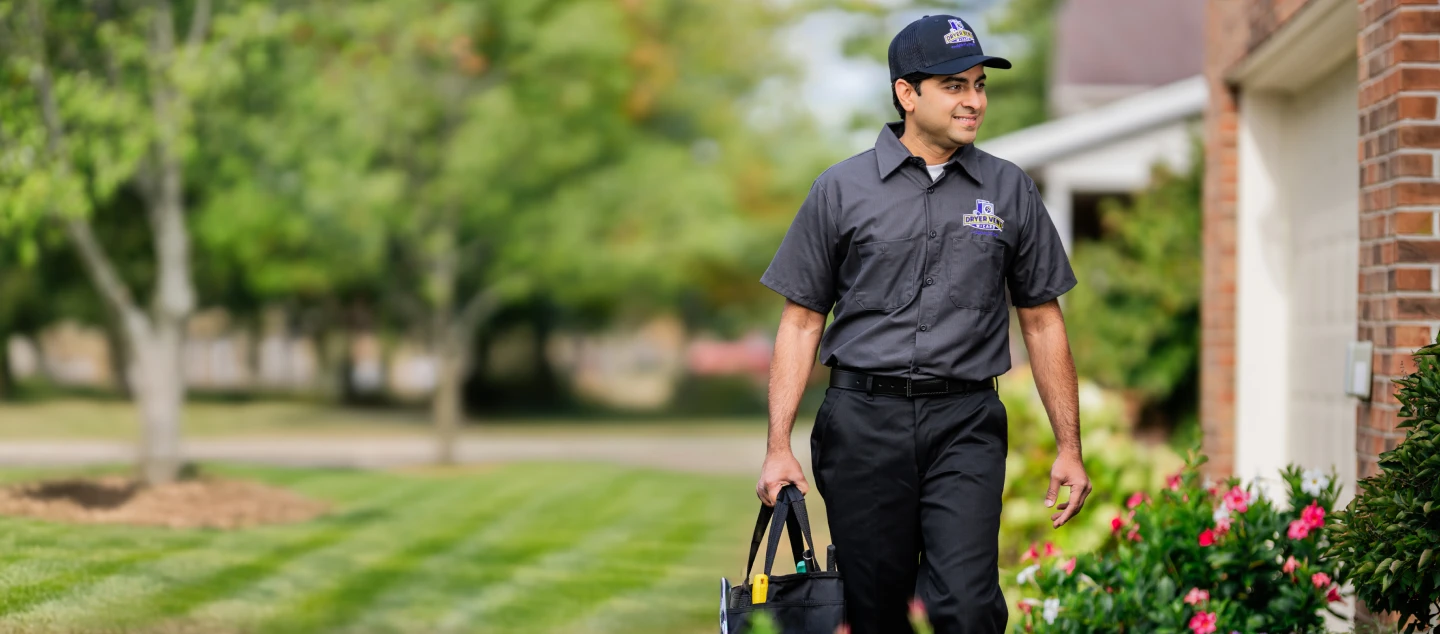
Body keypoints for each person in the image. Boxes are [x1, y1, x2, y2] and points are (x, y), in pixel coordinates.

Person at [753, 14, 1092, 634]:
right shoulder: (840, 189)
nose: (974, 101)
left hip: (965, 424)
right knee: (877, 610)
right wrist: (779, 448)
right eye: (954, 86)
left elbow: (1042, 322)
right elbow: (801, 323)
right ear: (907, 94)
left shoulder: (1009, 190)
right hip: (862, 423)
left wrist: (1069, 446)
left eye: (979, 85)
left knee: (965, 606)